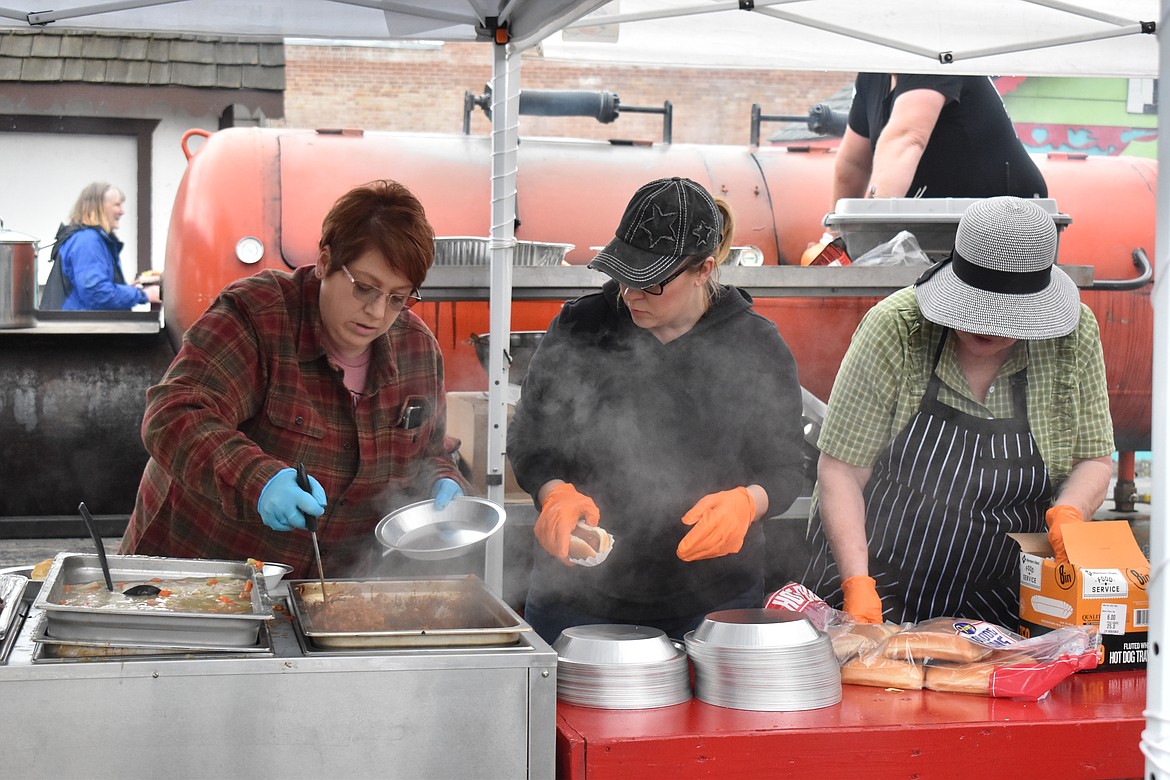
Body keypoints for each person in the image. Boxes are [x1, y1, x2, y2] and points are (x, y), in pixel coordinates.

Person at [507, 176, 806, 644]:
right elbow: (529, 441)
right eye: (623, 274)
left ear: (704, 270)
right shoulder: (582, 326)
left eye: (650, 282)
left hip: (713, 605)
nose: (630, 294)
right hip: (576, 597)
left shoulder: (756, 346)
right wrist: (554, 493)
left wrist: (749, 502)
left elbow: (786, 467)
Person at [120, 180, 468, 577]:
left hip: (323, 592)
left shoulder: (418, 352)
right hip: (195, 575)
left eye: (397, 297)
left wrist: (443, 478)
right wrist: (259, 479)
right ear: (325, 260)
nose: (376, 312)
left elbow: (431, 451)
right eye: (365, 288)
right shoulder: (257, 316)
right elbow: (174, 415)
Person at [802, 196, 1114, 627]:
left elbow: (1094, 459)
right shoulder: (896, 328)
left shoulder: (1072, 335)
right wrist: (858, 585)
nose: (988, 325)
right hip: (879, 578)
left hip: (1004, 594)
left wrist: (1070, 511)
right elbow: (840, 471)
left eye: (1009, 316)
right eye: (976, 308)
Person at [832, 74, 1047, 202]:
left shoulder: (935, 58)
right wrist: (835, 238)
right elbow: (854, 163)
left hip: (1008, 218)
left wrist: (872, 234)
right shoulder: (873, 76)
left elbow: (907, 138)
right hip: (944, 221)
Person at [43, 182, 161, 310]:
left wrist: (128, 290)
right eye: (117, 205)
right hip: (80, 327)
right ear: (99, 207)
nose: (122, 211)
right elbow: (96, 293)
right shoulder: (87, 241)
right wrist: (143, 294)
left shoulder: (89, 239)